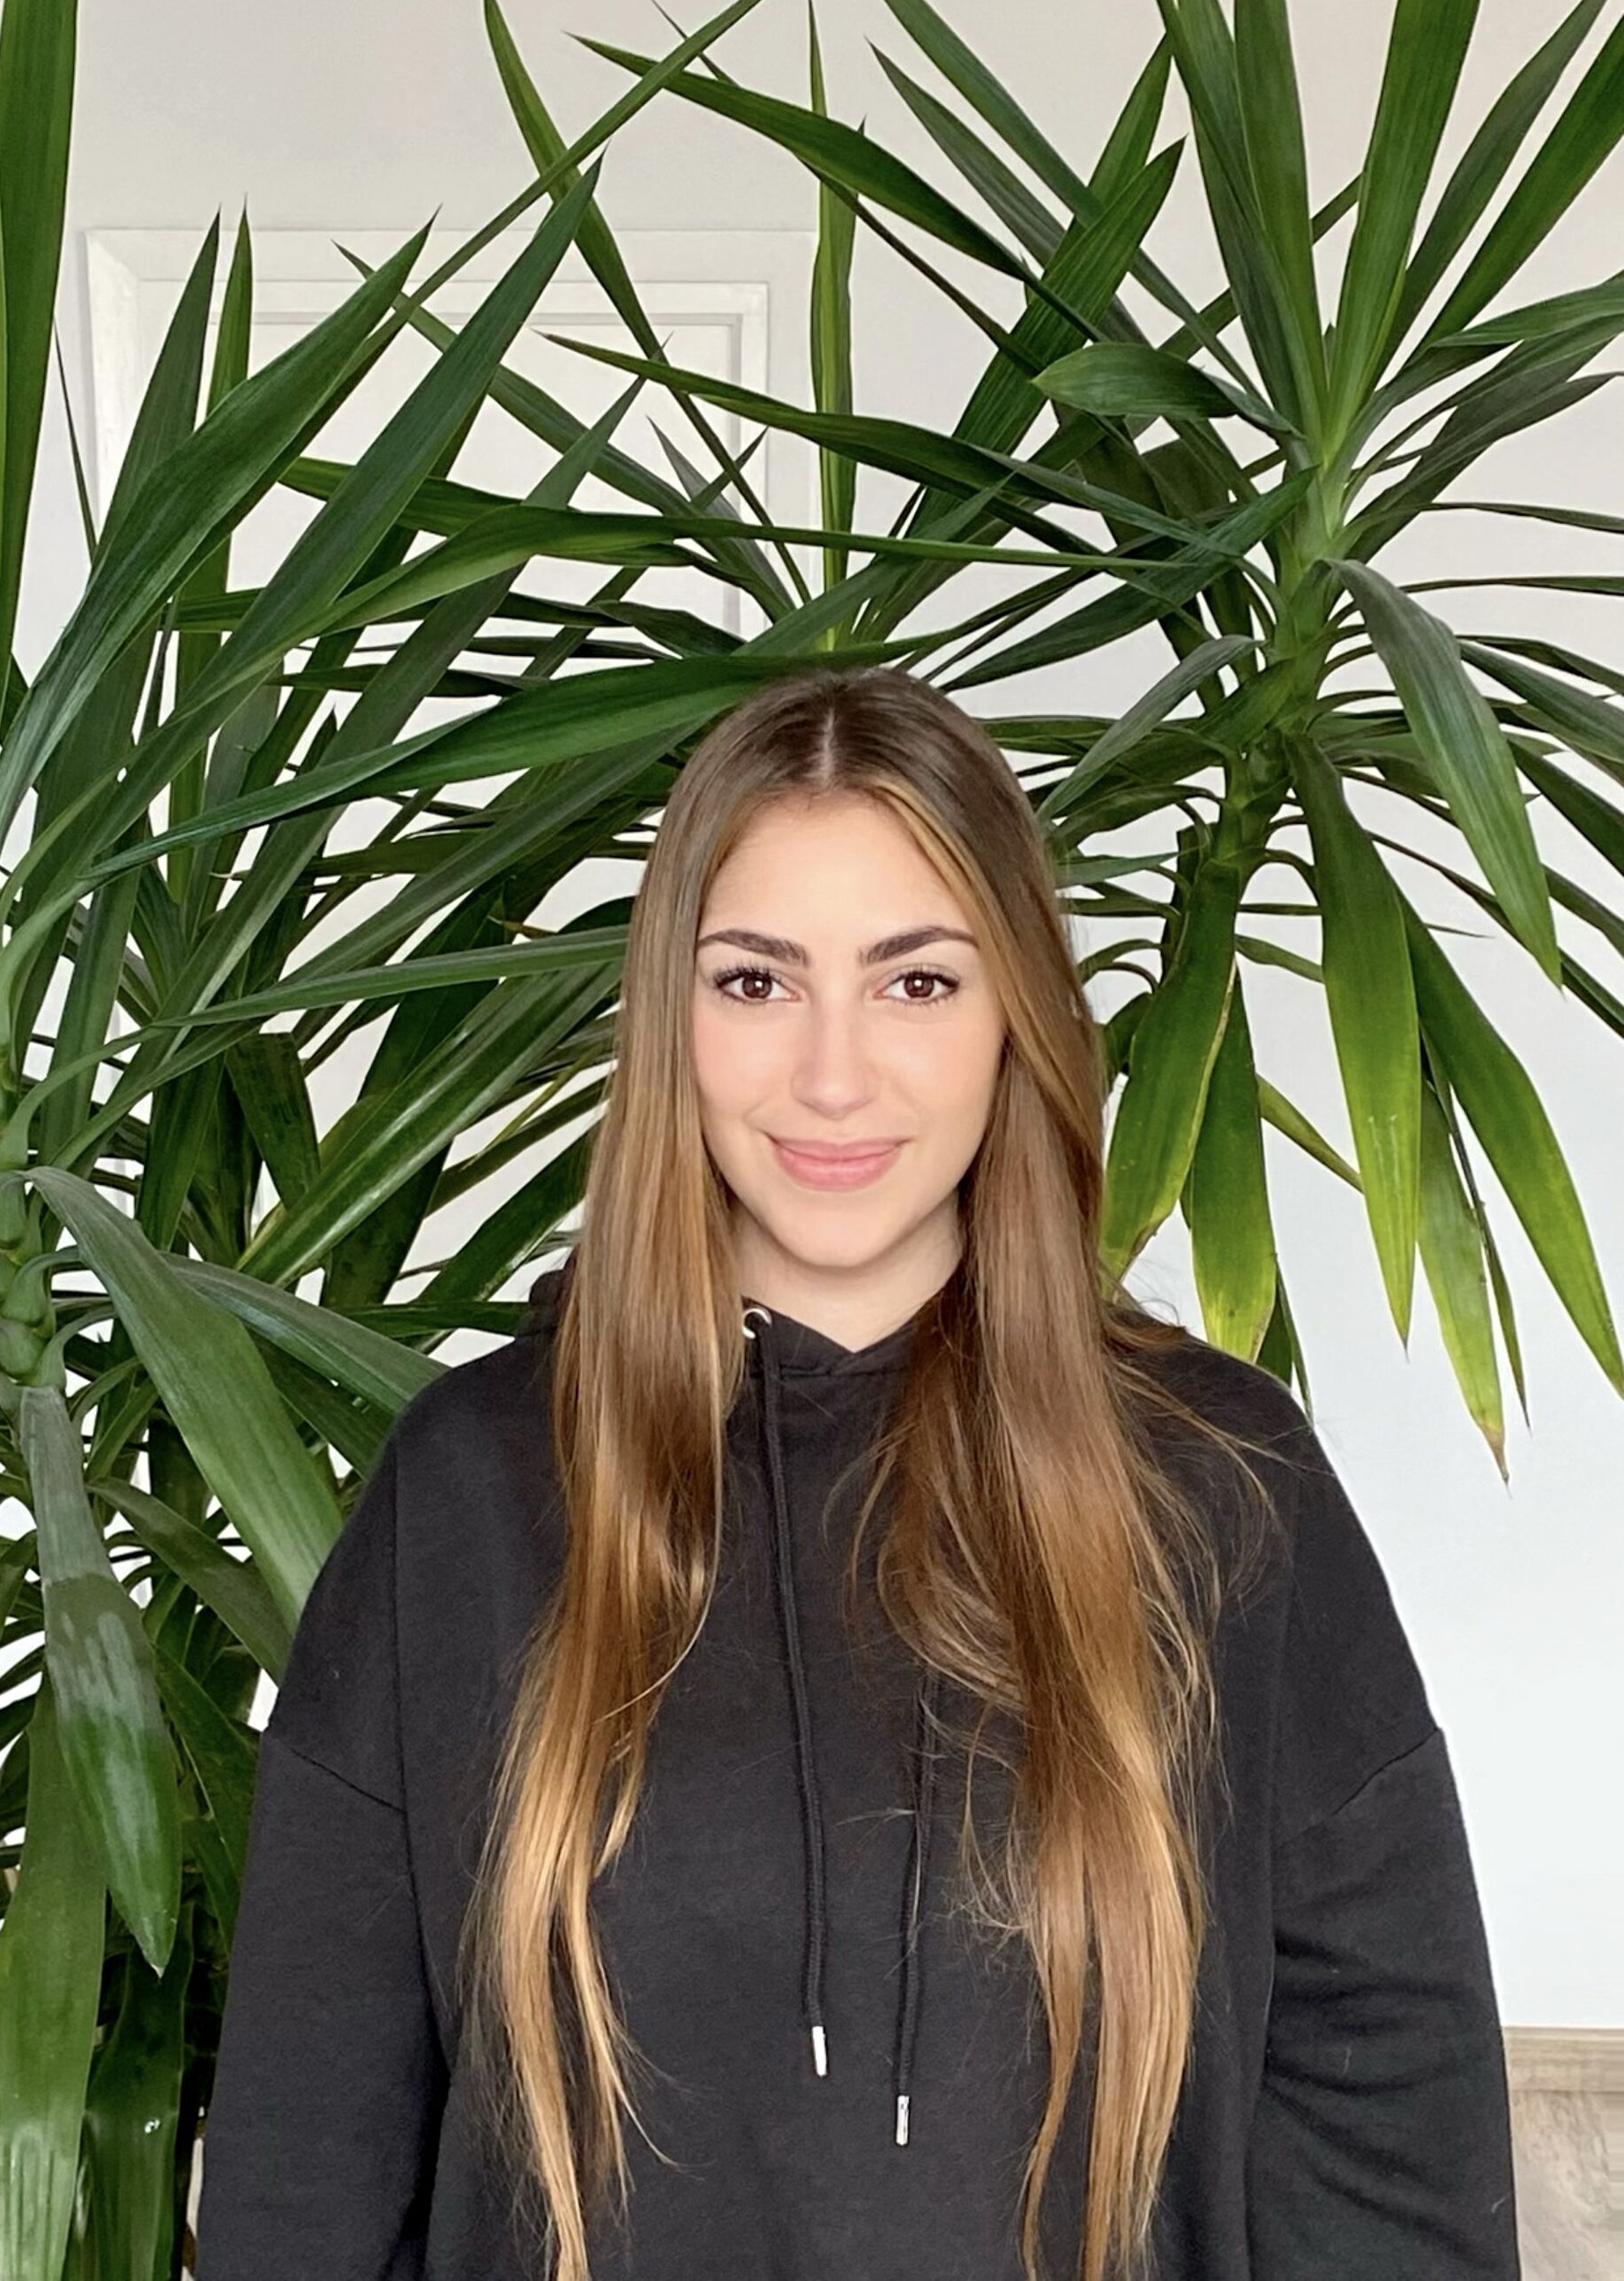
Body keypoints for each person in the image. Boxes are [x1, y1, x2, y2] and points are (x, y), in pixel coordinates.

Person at [195, 665, 1521, 2281]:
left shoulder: (1223, 1491)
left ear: (1019, 1012)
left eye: (917, 983)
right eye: (755, 983)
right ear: (668, 1019)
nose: (834, 1077)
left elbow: (1392, 2121)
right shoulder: (466, 1499)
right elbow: (304, 2163)